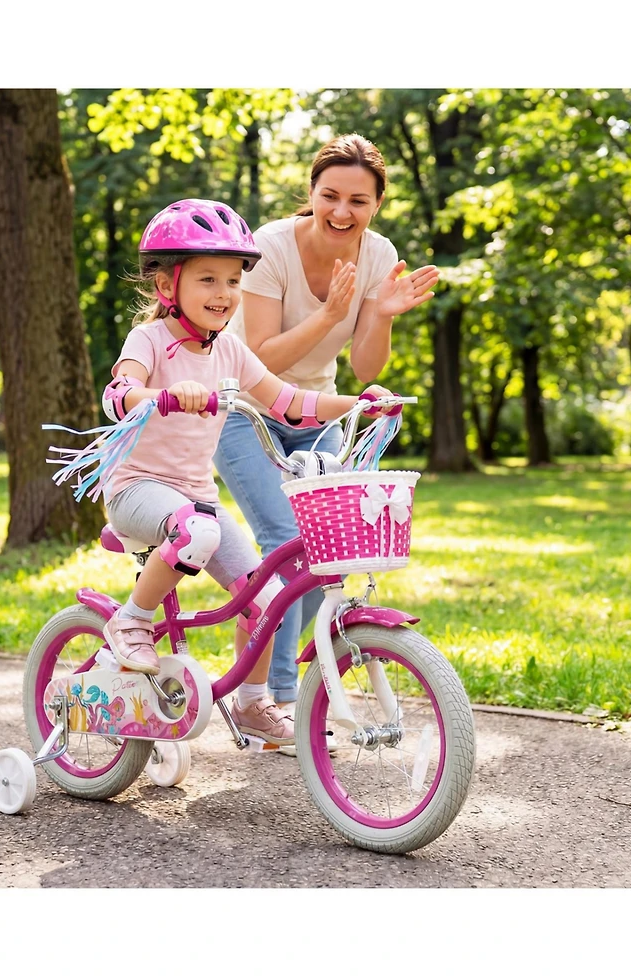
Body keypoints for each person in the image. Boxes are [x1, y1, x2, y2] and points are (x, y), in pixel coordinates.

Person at [95, 198, 398, 748]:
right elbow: (119, 394)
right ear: (168, 288)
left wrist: (359, 402)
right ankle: (131, 621)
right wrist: (163, 396)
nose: (224, 293)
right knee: (198, 530)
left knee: (268, 599)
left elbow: (289, 403)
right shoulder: (149, 341)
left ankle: (255, 704)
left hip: (194, 501)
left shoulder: (230, 351)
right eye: (207, 279)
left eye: (233, 280)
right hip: (136, 491)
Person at [214, 133, 439, 714]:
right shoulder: (268, 248)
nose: (342, 211)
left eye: (358, 201)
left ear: (376, 205)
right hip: (245, 412)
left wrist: (380, 314)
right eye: (330, 195)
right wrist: (333, 314)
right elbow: (261, 359)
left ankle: (275, 684)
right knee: (286, 544)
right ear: (311, 193)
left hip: (317, 416)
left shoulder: (380, 257)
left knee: (328, 554)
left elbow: (365, 364)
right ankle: (269, 700)